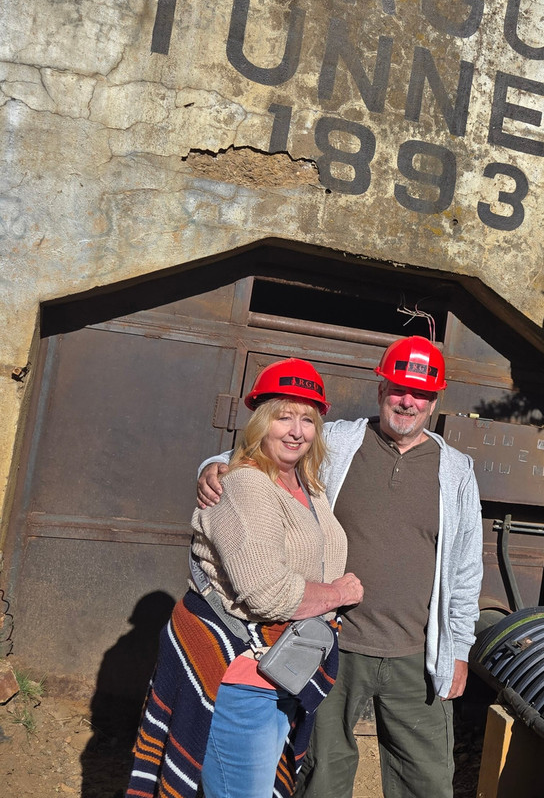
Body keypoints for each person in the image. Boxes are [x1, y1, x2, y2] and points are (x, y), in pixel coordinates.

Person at [196, 336, 484, 798]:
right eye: (398, 389)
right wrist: (215, 465)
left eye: (421, 394)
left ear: (434, 401)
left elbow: (467, 568)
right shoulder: (340, 442)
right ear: (380, 389)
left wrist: (459, 649)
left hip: (416, 651)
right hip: (334, 642)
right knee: (322, 773)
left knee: (427, 778)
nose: (407, 402)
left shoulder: (455, 470)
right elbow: (270, 448)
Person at [127, 358, 365, 798]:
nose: (296, 430)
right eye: (284, 416)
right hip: (241, 677)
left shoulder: (308, 485)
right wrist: (339, 594)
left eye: (307, 419)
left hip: (282, 672)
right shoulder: (246, 485)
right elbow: (265, 592)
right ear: (260, 421)